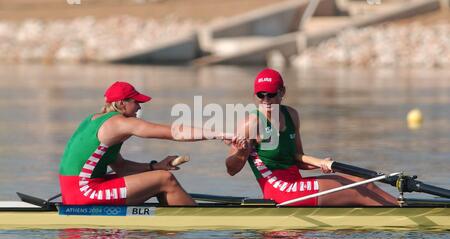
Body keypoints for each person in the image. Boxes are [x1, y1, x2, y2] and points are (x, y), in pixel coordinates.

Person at [225, 68, 398, 206]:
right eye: (260, 95)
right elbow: (231, 169)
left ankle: (398, 208)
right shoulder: (251, 123)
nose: (266, 100)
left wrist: (320, 163)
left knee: (361, 181)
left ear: (282, 92)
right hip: (280, 190)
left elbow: (297, 159)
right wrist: (242, 152)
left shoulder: (291, 115)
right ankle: (403, 213)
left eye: (271, 94)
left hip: (296, 183)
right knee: (362, 187)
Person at [59, 81, 232, 206]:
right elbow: (174, 132)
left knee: (157, 176)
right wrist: (219, 134)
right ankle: (198, 223)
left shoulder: (93, 120)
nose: (139, 108)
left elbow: (122, 168)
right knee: (165, 179)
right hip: (84, 193)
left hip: (74, 192)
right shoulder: (119, 123)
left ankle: (170, 226)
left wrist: (155, 166)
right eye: (136, 102)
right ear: (121, 103)